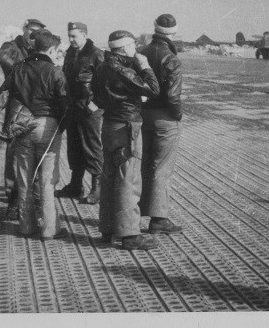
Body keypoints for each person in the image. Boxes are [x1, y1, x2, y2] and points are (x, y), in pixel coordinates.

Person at [0, 30, 69, 239]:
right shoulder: (55, 72)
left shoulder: (18, 69)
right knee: (47, 180)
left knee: (24, 178)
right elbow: (65, 104)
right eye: (57, 51)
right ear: (51, 50)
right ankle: (50, 229)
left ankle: (26, 227)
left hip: (23, 126)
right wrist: (60, 127)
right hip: (47, 126)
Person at [91, 30, 160, 250]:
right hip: (127, 127)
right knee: (128, 178)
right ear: (126, 47)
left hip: (110, 124)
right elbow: (154, 89)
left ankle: (108, 228)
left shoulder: (101, 67)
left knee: (110, 176)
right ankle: (130, 234)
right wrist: (145, 66)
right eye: (134, 46)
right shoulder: (123, 70)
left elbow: (97, 96)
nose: (136, 50)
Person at [0, 19, 47, 220]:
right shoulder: (14, 46)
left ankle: (35, 198)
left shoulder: (40, 49)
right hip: (17, 107)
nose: (33, 35)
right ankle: (13, 199)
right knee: (15, 155)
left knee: (37, 155)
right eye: (31, 31)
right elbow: (0, 55)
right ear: (24, 30)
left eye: (37, 32)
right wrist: (20, 71)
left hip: (36, 108)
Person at [139, 14, 183, 234]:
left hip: (143, 115)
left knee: (145, 165)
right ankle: (158, 219)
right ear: (173, 32)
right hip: (165, 118)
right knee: (161, 168)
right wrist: (178, 116)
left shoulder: (142, 53)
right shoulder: (171, 58)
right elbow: (173, 97)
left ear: (154, 29)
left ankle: (139, 211)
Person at [56, 22, 104, 204]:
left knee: (92, 147)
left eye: (74, 36)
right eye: (69, 35)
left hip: (89, 110)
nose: (70, 39)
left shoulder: (96, 54)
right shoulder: (70, 53)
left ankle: (97, 189)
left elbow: (106, 82)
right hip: (73, 107)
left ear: (84, 35)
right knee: (74, 147)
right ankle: (76, 186)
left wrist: (96, 104)